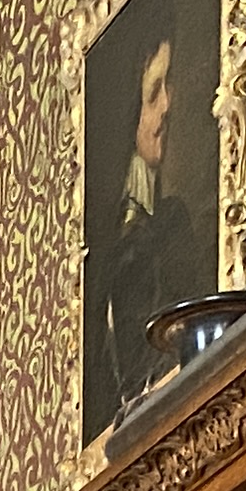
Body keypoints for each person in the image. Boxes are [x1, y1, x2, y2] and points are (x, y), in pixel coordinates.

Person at [88, 31, 204, 438]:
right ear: (128, 111)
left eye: (168, 87)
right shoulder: (113, 248)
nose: (168, 105)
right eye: (154, 93)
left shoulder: (170, 222)